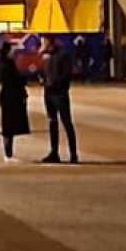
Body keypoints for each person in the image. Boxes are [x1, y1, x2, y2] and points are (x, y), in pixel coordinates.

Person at [39, 36, 80, 165]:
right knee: (52, 123)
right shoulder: (47, 57)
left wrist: (54, 83)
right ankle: (54, 152)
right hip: (48, 94)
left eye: (44, 42)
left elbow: (67, 75)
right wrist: (44, 81)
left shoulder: (63, 55)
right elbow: (46, 73)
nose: (42, 45)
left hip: (60, 95)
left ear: (49, 42)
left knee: (67, 123)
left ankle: (73, 154)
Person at [0, 50, 31, 162]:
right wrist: (23, 81)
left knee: (8, 124)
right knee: (8, 125)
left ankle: (8, 152)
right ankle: (8, 153)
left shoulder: (3, 64)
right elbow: (14, 79)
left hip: (7, 95)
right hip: (11, 96)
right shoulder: (8, 65)